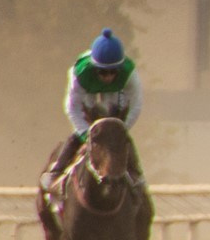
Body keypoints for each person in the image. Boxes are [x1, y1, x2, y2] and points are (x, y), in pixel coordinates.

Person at [43, 28, 145, 184]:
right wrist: (86, 134)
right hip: (87, 92)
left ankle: (137, 175)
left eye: (113, 72)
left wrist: (120, 130)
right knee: (82, 129)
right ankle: (56, 172)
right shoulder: (80, 73)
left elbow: (136, 106)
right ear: (95, 68)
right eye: (103, 72)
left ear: (120, 68)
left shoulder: (129, 74)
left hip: (116, 93)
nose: (108, 77)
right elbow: (72, 108)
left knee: (117, 130)